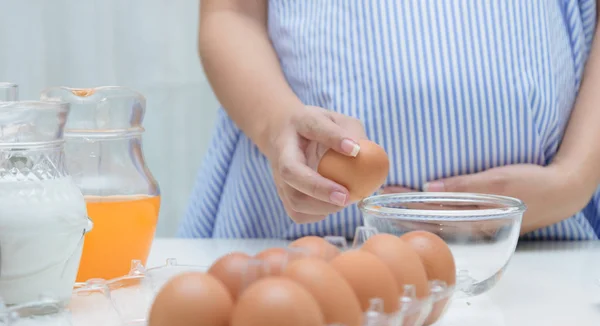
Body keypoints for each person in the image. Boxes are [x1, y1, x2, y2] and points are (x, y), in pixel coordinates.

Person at [179, 0, 600, 240]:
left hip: (544, 241)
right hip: (304, 246)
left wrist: (575, 178)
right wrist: (277, 127)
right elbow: (230, 13)